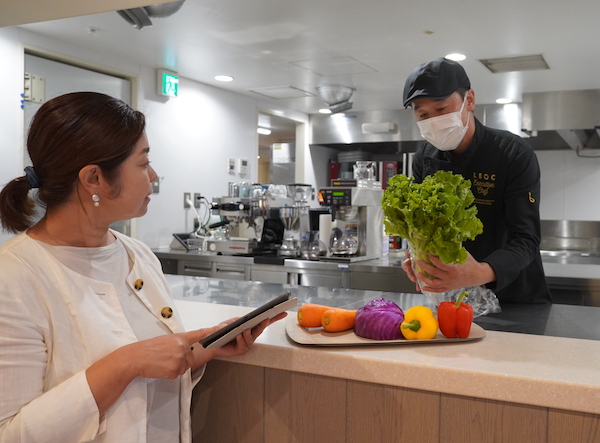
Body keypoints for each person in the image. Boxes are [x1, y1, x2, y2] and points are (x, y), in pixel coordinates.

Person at [0, 92, 286, 442]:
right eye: (142, 162)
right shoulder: (13, 276)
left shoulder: (138, 255)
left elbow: (147, 374)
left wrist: (202, 348)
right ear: (94, 179)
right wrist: (124, 364)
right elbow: (10, 433)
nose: (153, 175)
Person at [400, 57, 551, 304]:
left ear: (469, 100)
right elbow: (421, 226)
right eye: (423, 115)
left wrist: (478, 273)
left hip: (515, 300)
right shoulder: (423, 159)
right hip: (454, 300)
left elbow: (526, 239)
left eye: (441, 110)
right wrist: (418, 257)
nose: (433, 122)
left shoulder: (512, 153)